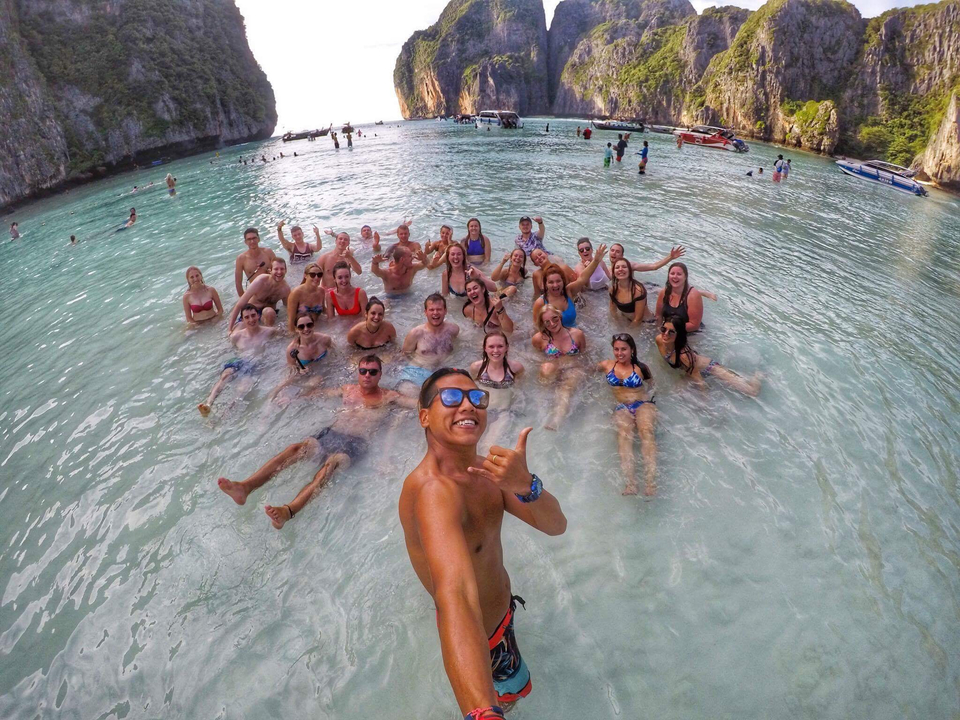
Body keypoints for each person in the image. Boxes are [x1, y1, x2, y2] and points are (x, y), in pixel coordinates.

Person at [398, 368, 567, 716]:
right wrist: (482, 713)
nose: (468, 406)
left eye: (476, 397)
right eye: (450, 397)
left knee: (513, 697)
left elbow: (556, 526)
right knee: (506, 701)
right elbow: (456, 595)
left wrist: (526, 484)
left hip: (502, 615)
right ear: (424, 417)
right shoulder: (434, 491)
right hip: (479, 639)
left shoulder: (487, 471)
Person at [219, 356, 416, 528]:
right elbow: (319, 393)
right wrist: (293, 399)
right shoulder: (348, 389)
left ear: (380, 374)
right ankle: (245, 487)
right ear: (358, 372)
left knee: (329, 466)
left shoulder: (389, 397)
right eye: (363, 371)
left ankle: (289, 510)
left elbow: (418, 404)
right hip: (331, 434)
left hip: (355, 444)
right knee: (296, 448)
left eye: (372, 372)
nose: (367, 375)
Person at [597, 334, 657, 496]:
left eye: (623, 349)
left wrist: (652, 405)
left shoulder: (641, 368)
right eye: (616, 349)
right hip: (622, 406)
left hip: (643, 403)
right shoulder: (606, 365)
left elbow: (652, 386)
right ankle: (631, 484)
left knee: (646, 432)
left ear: (632, 350)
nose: (619, 353)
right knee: (624, 436)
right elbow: (587, 370)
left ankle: (650, 483)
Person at [198, 304, 276, 416]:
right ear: (243, 320)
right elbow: (225, 350)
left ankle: (226, 412)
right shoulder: (236, 336)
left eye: (253, 315)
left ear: (258, 316)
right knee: (225, 376)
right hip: (239, 360)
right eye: (247, 317)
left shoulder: (269, 332)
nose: (251, 320)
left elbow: (287, 335)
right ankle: (208, 404)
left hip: (254, 364)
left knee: (242, 388)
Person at [656, 319, 761, 396]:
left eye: (671, 332)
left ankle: (759, 375)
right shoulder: (659, 340)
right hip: (691, 370)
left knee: (751, 392)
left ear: (679, 334)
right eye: (663, 329)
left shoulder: (684, 356)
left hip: (710, 368)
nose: (665, 334)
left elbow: (700, 381)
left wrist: (705, 401)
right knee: (675, 392)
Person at [531, 305, 587, 430]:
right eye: (547, 322)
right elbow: (536, 359)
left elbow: (584, 356)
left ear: (560, 316)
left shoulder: (577, 334)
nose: (552, 324)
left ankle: (557, 420)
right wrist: (556, 366)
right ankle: (542, 409)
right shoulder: (539, 338)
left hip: (573, 368)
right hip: (553, 369)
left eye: (555, 318)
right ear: (543, 324)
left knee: (565, 389)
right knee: (546, 369)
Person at [531, 246, 607, 328]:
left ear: (563, 281)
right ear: (545, 284)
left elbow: (582, 278)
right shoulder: (540, 303)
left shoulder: (568, 291)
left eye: (558, 281)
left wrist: (595, 261)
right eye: (551, 282)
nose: (555, 285)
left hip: (574, 331)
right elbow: (537, 329)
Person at [399, 294, 460, 391]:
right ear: (425, 312)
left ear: (445, 311)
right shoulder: (415, 334)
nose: (435, 313)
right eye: (431, 310)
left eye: (439, 309)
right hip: (419, 372)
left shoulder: (453, 330)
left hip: (443, 372)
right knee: (407, 390)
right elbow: (404, 356)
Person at [270, 312, 334, 401]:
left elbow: (336, 354)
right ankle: (272, 401)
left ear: (314, 325)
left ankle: (294, 399)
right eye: (301, 327)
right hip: (305, 376)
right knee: (281, 386)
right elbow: (291, 370)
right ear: (296, 329)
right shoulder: (292, 349)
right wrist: (299, 370)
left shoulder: (325, 339)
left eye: (309, 325)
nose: (306, 329)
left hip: (324, 371)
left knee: (314, 382)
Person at [228, 258, 291, 330]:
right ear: (270, 270)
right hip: (251, 313)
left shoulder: (285, 289)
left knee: (269, 312)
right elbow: (240, 304)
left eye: (282, 269)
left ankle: (268, 334)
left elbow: (288, 308)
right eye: (276, 269)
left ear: (286, 270)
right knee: (236, 333)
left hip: (267, 317)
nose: (279, 272)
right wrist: (230, 328)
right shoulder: (261, 281)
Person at [655, 262, 704, 333]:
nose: (675, 277)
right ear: (668, 276)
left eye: (679, 274)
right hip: (668, 330)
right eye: (672, 274)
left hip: (690, 333)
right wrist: (659, 330)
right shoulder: (664, 292)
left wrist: (671, 329)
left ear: (685, 277)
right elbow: (658, 315)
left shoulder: (693, 296)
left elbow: (694, 325)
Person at [234, 227, 278, 296]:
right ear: (245, 242)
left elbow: (280, 271)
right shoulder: (241, 259)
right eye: (249, 239)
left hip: (272, 289)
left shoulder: (268, 252)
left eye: (254, 238)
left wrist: (269, 271)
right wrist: (244, 300)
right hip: (256, 294)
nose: (252, 241)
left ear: (258, 239)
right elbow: (238, 283)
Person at [287, 262, 329, 331]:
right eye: (312, 275)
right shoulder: (296, 293)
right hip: (301, 330)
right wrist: (293, 334)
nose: (316, 277)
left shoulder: (321, 291)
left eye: (319, 274)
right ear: (305, 276)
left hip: (317, 327)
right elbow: (291, 320)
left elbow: (324, 310)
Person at [608, 259, 649, 324]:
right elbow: (612, 310)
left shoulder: (638, 291)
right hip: (626, 319)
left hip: (645, 323)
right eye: (617, 267)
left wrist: (627, 329)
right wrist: (616, 324)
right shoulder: (613, 289)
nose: (620, 269)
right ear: (614, 272)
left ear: (630, 271)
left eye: (624, 267)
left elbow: (638, 319)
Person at [608, 243, 685, 276]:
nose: (614, 253)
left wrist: (670, 257)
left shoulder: (629, 266)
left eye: (617, 252)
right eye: (612, 250)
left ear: (622, 256)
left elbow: (654, 266)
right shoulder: (607, 270)